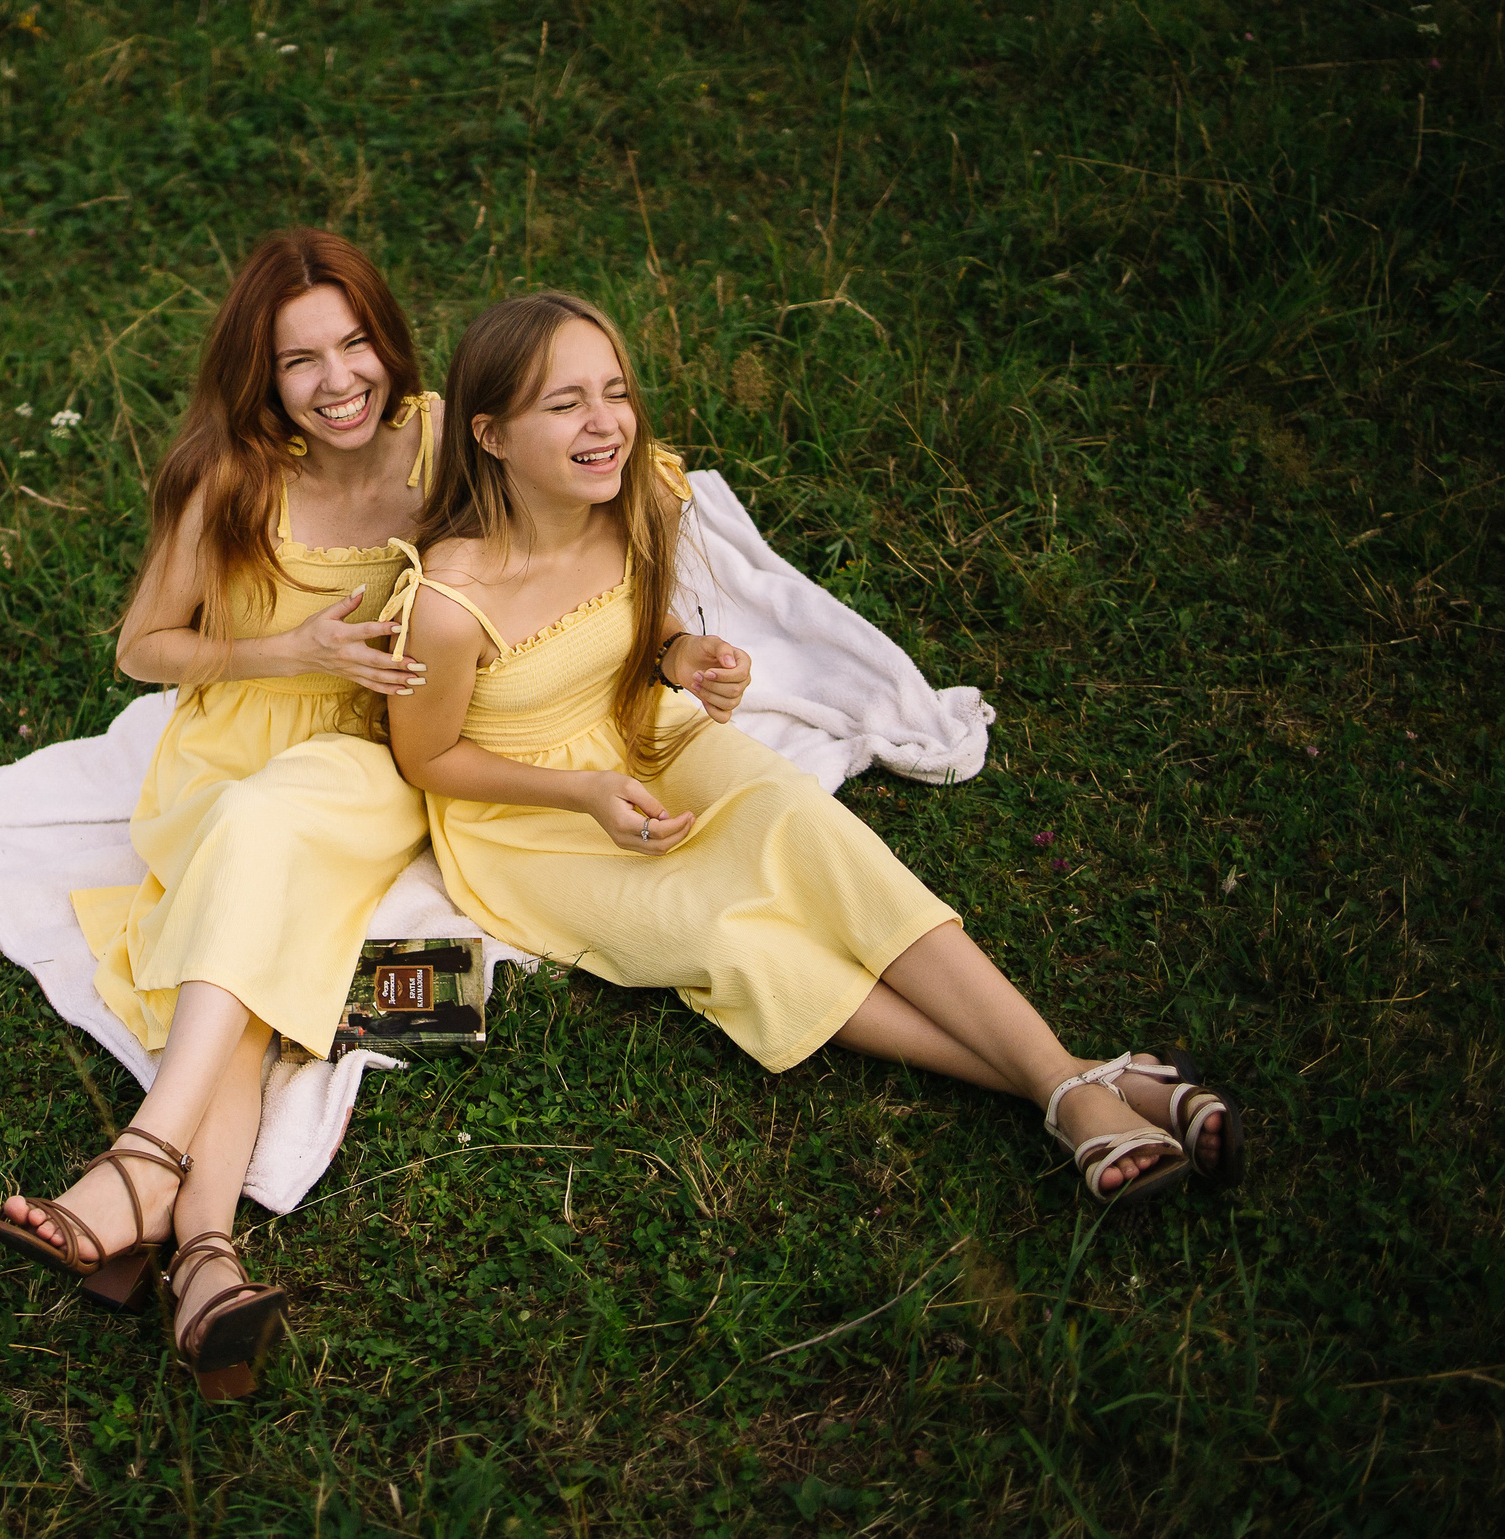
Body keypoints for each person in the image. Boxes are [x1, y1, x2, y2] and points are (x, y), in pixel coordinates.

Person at [382, 292, 1244, 1210]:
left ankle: (1066, 1085)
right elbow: (427, 761)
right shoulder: (447, 602)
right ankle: (1081, 1082)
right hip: (528, 822)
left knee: (809, 830)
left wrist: (681, 654)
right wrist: (585, 792)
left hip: (648, 735)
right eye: (564, 404)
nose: (606, 424)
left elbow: (639, 627)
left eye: (616, 391)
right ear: (491, 434)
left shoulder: (630, 508)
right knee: (727, 932)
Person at [0, 229, 443, 1398]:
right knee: (251, 966)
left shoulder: (441, 440)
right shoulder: (229, 474)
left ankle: (139, 1173)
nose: (338, 381)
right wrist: (291, 647)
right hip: (224, 759)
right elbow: (143, 647)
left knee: (242, 938)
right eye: (299, 361)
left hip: (365, 761)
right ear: (259, 375)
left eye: (355, 343)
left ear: (389, 339)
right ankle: (207, 1255)